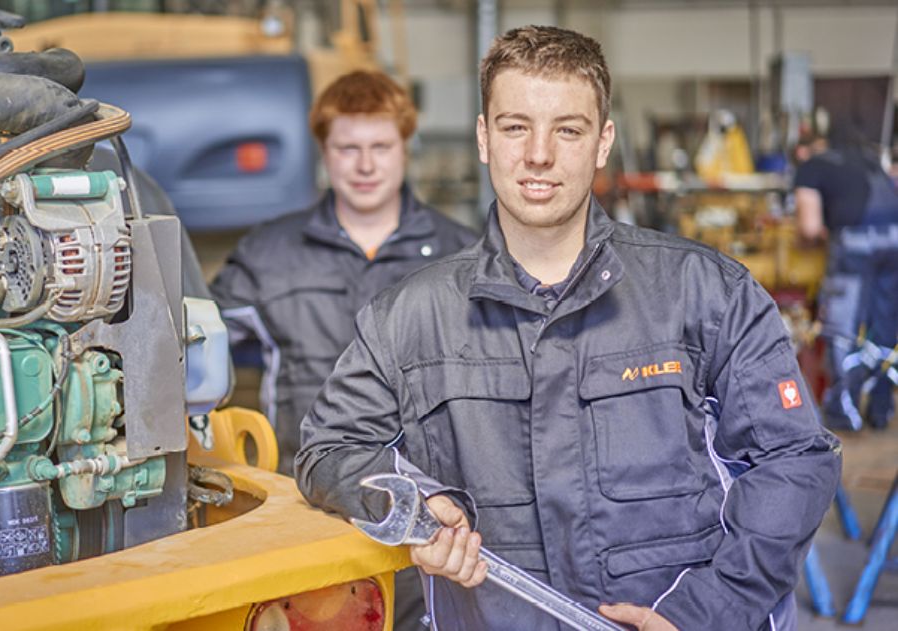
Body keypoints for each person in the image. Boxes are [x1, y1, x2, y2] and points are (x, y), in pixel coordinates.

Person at [296, 26, 840, 631]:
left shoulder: (705, 292)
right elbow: (328, 450)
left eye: (568, 129)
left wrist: (706, 613)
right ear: (483, 137)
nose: (538, 154)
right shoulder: (410, 316)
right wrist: (411, 509)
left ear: (603, 141)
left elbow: (794, 459)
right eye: (514, 126)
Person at [210, 69, 476, 629]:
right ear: (323, 152)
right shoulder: (270, 253)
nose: (364, 164)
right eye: (347, 147)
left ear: (406, 147)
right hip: (303, 518)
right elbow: (194, 344)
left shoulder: (461, 258)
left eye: (380, 146)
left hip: (425, 527)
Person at [794, 126, 898, 431]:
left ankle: (843, 414)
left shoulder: (810, 168)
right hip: (895, 242)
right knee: (885, 327)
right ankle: (881, 410)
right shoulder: (863, 157)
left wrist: (825, 233)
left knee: (843, 327)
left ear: (802, 152)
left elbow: (809, 227)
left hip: (855, 245)